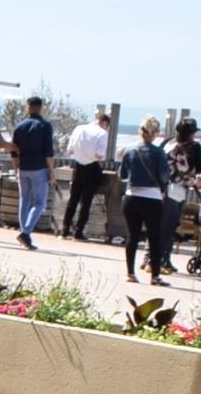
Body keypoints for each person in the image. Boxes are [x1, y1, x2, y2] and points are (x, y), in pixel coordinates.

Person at [120, 115, 175, 284]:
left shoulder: (130, 150)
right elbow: (164, 176)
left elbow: (122, 174)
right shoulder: (159, 152)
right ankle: (155, 276)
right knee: (154, 237)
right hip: (152, 198)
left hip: (131, 196)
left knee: (132, 235)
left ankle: (130, 273)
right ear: (155, 133)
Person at [10, 93, 55, 249]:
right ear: (40, 108)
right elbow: (49, 152)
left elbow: (14, 151)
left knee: (24, 201)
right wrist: (52, 171)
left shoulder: (19, 126)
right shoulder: (45, 126)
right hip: (38, 168)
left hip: (23, 167)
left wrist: (16, 168)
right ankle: (26, 232)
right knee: (40, 203)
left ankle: (24, 233)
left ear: (28, 107)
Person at [62, 106, 112, 241]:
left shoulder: (79, 128)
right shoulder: (102, 134)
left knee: (73, 200)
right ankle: (79, 231)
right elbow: (100, 155)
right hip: (91, 168)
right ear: (105, 123)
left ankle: (64, 230)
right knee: (86, 202)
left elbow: (69, 151)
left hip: (77, 167)